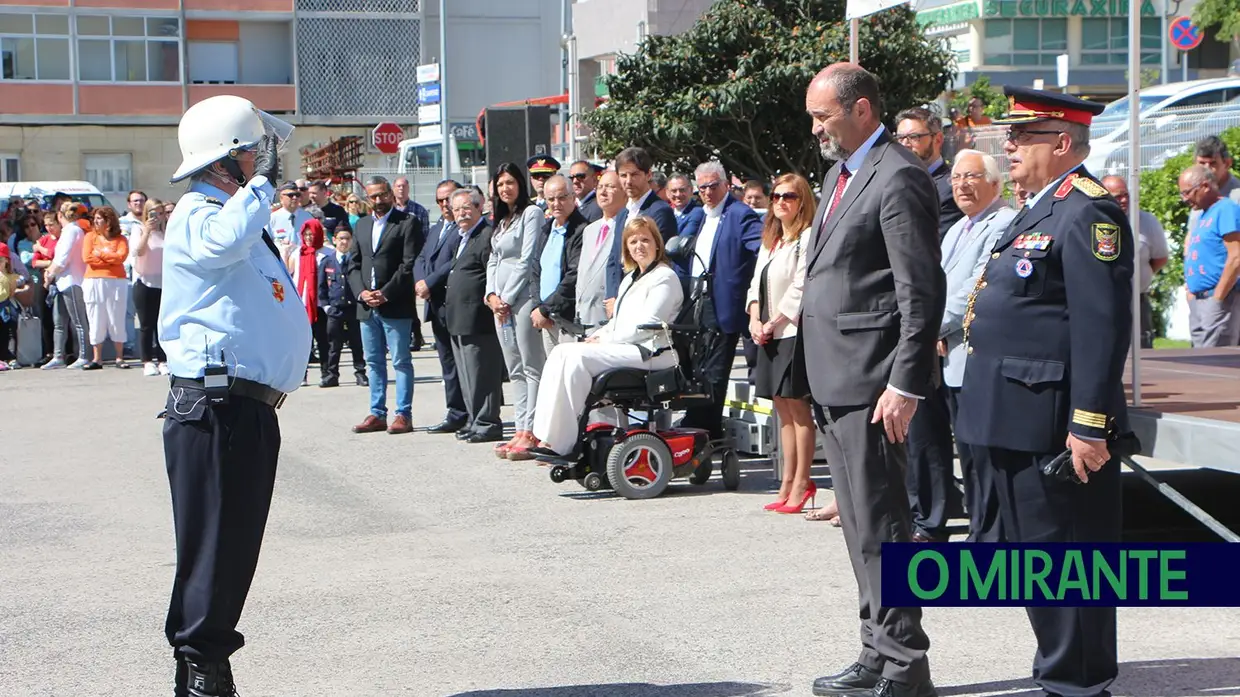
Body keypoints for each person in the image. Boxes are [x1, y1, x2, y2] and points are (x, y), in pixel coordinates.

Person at [955, 86, 1133, 697]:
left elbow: (1101, 325)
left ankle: (1078, 682)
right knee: (1036, 560)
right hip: (1010, 412)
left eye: (1022, 136)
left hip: (1054, 420)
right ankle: (1059, 673)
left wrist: (1089, 423)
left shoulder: (1088, 211)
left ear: (1061, 144)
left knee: (1067, 558)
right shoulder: (1040, 208)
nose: (1008, 144)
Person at [158, 94, 309, 696]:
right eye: (254, 149)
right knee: (216, 546)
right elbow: (222, 243)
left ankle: (202, 665)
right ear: (229, 158)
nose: (263, 159)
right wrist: (261, 189)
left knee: (233, 546)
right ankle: (202, 670)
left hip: (243, 405)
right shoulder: (201, 210)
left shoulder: (228, 210)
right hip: (215, 402)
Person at [801, 63, 944, 697]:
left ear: (861, 110)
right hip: (834, 377)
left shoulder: (899, 175)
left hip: (873, 383)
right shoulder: (839, 174)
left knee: (886, 527)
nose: (815, 129)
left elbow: (920, 292)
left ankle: (905, 666)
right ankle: (875, 651)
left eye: (823, 116)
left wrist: (905, 382)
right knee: (861, 529)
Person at [530, 216, 685, 458]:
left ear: (657, 244)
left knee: (577, 359)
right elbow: (617, 322)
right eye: (633, 241)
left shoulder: (664, 277)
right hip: (628, 347)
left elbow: (647, 325)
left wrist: (605, 341)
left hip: (652, 352)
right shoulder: (630, 279)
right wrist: (597, 336)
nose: (639, 246)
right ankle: (547, 437)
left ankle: (562, 443)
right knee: (563, 352)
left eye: (645, 240)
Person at [934, 150, 1016, 543]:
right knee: (967, 453)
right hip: (951, 357)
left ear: (995, 184)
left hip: (976, 356)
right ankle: (980, 532)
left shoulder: (1003, 223)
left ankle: (990, 538)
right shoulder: (958, 228)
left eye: (971, 177)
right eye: (955, 177)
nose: (961, 184)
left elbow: (976, 287)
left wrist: (932, 327)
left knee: (985, 455)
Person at [678, 160, 763, 443]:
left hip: (723, 304)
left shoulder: (739, 214)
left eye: (713, 186)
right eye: (702, 187)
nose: (708, 192)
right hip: (696, 302)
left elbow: (760, 249)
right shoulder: (700, 216)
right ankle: (699, 424)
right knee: (695, 368)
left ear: (726, 184)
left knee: (714, 372)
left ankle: (706, 431)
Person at [747, 174, 815, 514]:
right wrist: (755, 319)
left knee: (798, 408)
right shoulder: (772, 240)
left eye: (789, 196)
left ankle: (803, 481)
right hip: (769, 333)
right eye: (776, 196)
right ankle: (787, 481)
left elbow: (801, 288)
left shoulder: (807, 237)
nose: (781, 202)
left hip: (792, 333)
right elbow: (755, 286)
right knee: (782, 410)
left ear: (802, 201)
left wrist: (774, 323)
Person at [347, 176, 421, 435]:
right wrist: (361, 293)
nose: (378, 201)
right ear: (367, 198)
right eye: (373, 196)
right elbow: (353, 263)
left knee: (401, 361)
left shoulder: (407, 222)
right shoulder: (362, 225)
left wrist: (386, 293)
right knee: (373, 362)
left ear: (391, 194)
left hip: (395, 304)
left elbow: (409, 264)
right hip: (367, 307)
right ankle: (377, 413)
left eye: (382, 195)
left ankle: (403, 414)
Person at [486, 162, 549, 457]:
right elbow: (494, 259)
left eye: (510, 182)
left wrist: (507, 297)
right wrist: (491, 296)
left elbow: (526, 259)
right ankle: (519, 428)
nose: (505, 189)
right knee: (514, 369)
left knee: (531, 365)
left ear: (520, 184)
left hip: (522, 299)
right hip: (501, 306)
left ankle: (533, 431)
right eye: (500, 185)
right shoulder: (502, 221)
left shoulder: (531, 214)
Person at [445, 188, 506, 443]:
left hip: (478, 318)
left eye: (466, 207)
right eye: (457, 209)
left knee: (483, 374)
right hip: (459, 318)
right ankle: (474, 419)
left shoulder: (486, 235)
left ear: (480, 206)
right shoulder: (461, 236)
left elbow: (491, 275)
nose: (461, 213)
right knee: (468, 376)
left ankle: (488, 422)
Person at [414, 179, 468, 431]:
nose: (445, 204)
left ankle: (469, 412)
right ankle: (455, 412)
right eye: (440, 200)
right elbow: (423, 257)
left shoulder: (465, 228)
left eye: (449, 198)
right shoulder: (438, 228)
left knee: (463, 364)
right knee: (447, 363)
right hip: (436, 305)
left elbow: (456, 262)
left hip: (455, 303)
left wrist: (430, 282)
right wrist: (419, 281)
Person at [1100, 175, 1168, 348]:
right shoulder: (1094, 220)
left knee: (1142, 351)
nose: (1123, 200)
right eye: (1116, 197)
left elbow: (1159, 258)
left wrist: (1140, 277)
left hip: (1136, 301)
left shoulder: (1146, 221)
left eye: (1125, 195)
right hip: (1105, 301)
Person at [1180, 164, 1240, 347]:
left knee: (1214, 365)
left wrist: (1218, 299)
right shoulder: (1204, 214)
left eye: (1187, 192)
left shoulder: (1226, 209)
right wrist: (1191, 293)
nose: (1184, 199)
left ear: (1205, 186)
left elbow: (1236, 256)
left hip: (1217, 301)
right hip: (1199, 302)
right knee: (1200, 364)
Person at [81, 206, 131, 370]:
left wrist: (101, 254)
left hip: (116, 280)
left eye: (99, 218)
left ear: (109, 220)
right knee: (96, 316)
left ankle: (119, 357)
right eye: (94, 218)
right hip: (94, 279)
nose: (95, 221)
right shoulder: (90, 237)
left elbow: (121, 257)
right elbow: (87, 257)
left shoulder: (120, 239)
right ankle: (97, 358)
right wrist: (110, 259)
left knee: (116, 316)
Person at [131, 198, 169, 376]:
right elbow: (138, 251)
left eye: (161, 213)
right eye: (154, 213)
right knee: (146, 324)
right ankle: (147, 360)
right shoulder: (138, 229)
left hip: (164, 282)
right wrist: (147, 231)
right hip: (144, 281)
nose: (159, 217)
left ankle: (163, 359)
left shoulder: (166, 232)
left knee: (162, 323)